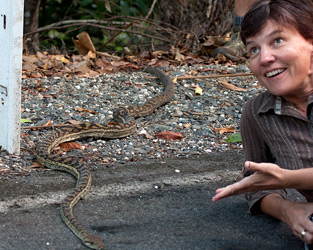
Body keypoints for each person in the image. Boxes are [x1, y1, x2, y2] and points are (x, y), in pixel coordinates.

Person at [211, 0, 313, 247]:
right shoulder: (257, 112)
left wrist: (287, 178)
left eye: (277, 40)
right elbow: (259, 185)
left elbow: (278, 179)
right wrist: (289, 210)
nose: (264, 58)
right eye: (253, 50)